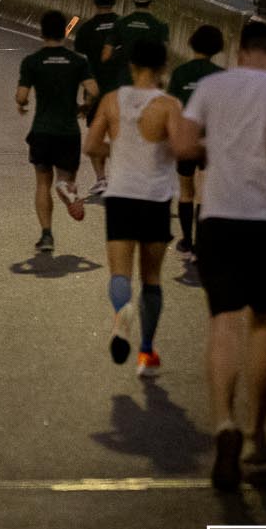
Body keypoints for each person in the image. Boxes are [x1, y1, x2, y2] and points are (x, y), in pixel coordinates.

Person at [169, 20, 266, 491]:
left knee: (222, 322)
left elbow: (184, 147)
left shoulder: (210, 86)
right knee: (263, 321)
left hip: (218, 221)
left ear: (240, 50)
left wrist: (218, 147)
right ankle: (256, 436)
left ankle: (224, 422)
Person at [84, 40, 180, 374]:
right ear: (163, 68)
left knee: (120, 273)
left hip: (121, 196)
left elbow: (91, 145)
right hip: (155, 199)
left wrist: (120, 150)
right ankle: (147, 354)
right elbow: (184, 149)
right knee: (152, 279)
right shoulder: (169, 106)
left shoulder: (112, 101)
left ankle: (121, 314)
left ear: (131, 66)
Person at [16, 11, 97, 255]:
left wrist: (22, 104)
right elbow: (93, 89)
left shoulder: (32, 61)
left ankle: (46, 234)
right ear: (65, 31)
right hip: (68, 131)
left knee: (42, 183)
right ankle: (66, 187)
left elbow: (22, 95)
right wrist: (84, 107)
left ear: (42, 32)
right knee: (66, 178)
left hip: (42, 130)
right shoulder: (78, 61)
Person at [165, 25, 225, 261]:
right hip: (209, 141)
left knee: (186, 191)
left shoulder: (180, 73)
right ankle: (201, 243)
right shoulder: (221, 75)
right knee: (203, 193)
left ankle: (186, 241)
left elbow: (173, 107)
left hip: (186, 139)